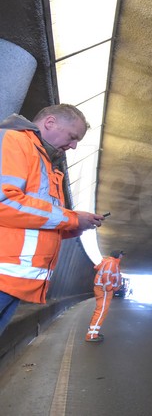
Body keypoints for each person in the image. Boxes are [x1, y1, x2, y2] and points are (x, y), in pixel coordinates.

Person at [0, 104, 104, 337]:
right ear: (49, 123)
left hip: (13, 281)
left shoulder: (46, 164)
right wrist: (70, 217)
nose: (74, 145)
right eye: (72, 136)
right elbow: (5, 202)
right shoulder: (13, 142)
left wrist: (76, 225)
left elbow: (38, 222)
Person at [86, 250, 123, 343]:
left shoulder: (107, 262)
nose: (122, 257)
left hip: (102, 289)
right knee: (101, 311)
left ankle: (93, 332)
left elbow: (100, 269)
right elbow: (106, 276)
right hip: (105, 290)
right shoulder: (111, 263)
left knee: (100, 311)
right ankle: (91, 335)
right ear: (118, 256)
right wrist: (109, 287)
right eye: (121, 255)